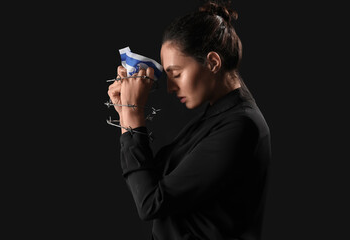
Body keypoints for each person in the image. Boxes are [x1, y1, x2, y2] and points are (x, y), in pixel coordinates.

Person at [107, 1, 271, 239]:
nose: (171, 88)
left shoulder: (241, 126)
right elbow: (155, 177)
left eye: (176, 74)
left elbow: (151, 202)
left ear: (213, 62)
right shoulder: (218, 116)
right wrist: (125, 112)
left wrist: (133, 114)